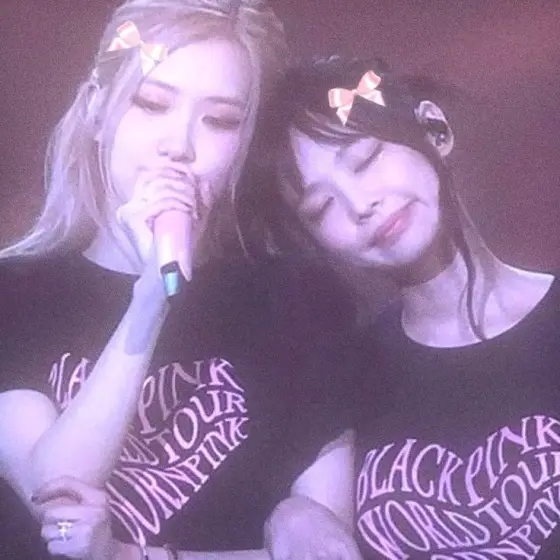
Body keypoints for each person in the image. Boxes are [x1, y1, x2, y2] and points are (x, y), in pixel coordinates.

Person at [0, 5, 359, 559]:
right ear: (96, 107)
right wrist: (152, 299)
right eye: (151, 103)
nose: (179, 145)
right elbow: (57, 494)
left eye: (220, 120)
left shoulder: (299, 298)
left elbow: (324, 548)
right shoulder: (16, 294)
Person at [256, 54, 560, 559]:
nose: (360, 205)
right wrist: (289, 515)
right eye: (322, 207)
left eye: (364, 160)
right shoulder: (343, 374)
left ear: (434, 128)